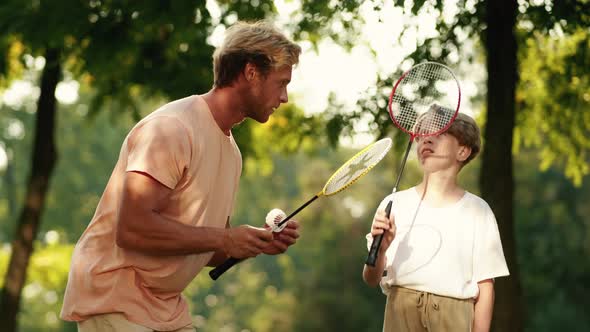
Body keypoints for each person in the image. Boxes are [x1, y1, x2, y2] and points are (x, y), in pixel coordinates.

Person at [61, 21, 302, 332]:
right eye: (281, 83)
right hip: (116, 300)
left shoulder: (232, 153)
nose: (284, 98)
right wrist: (226, 238)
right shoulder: (172, 129)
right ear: (251, 72)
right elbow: (132, 229)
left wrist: (252, 243)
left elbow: (211, 251)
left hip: (165, 307)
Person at [362, 110, 509, 332]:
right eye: (421, 135)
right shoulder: (394, 204)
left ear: (462, 151)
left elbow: (486, 288)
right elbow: (371, 278)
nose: (426, 139)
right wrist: (381, 251)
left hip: (454, 316)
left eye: (439, 132)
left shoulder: (478, 211)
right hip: (400, 313)